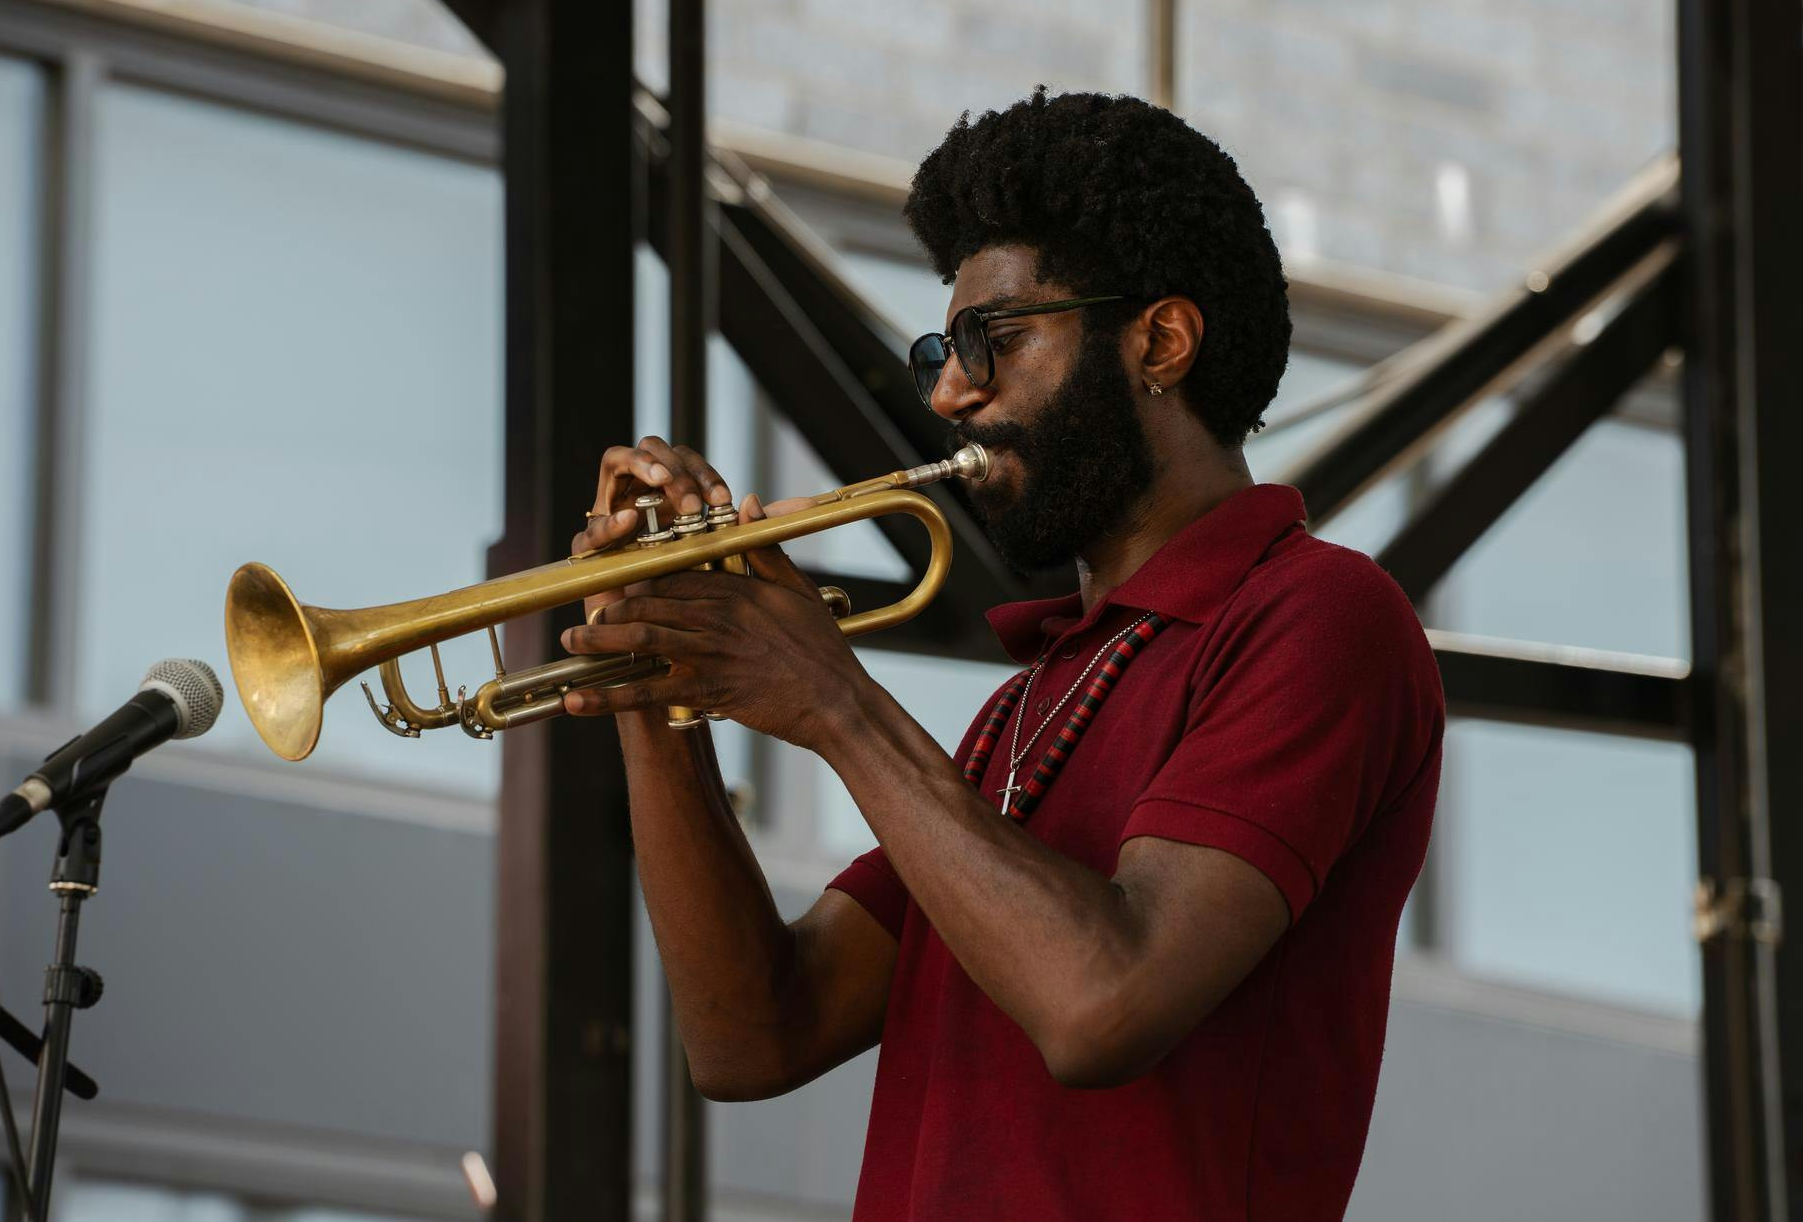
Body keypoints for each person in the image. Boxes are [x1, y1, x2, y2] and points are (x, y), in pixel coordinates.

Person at [559, 89, 1444, 1220]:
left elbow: (1101, 1004)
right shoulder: (1021, 712)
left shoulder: (1319, 615)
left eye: (996, 340)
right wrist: (654, 677)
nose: (947, 391)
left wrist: (834, 701)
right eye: (942, 345)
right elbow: (750, 1034)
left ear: (1158, 342)